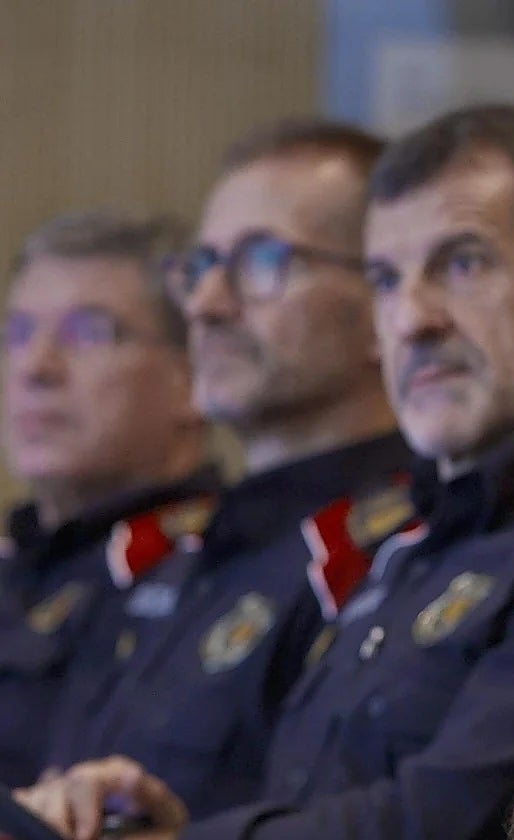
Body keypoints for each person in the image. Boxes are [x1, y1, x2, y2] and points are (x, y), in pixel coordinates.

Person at [18, 104, 514, 840]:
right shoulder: (406, 543)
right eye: (387, 278)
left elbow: (451, 818)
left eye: (462, 263)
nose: (411, 320)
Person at [35, 120, 414, 819]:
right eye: (202, 267)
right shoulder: (175, 554)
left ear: (383, 303)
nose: (207, 306)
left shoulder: (395, 558)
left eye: (262, 261)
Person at [0, 212, 219, 787]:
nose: (35, 367)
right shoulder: (18, 565)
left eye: (88, 333)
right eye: (17, 334)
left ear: (191, 377)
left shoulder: (223, 569)